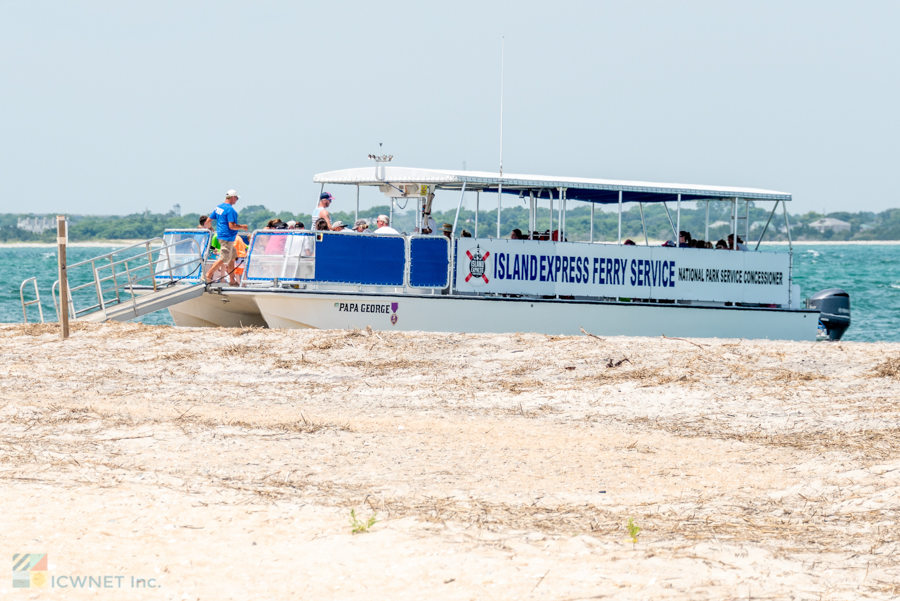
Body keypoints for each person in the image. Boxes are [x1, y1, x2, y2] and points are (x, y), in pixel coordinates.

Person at [205, 190, 248, 285]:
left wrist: (211, 229)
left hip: (221, 236)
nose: (236, 200)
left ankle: (232, 280)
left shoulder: (219, 207)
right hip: (227, 237)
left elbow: (208, 221)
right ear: (233, 197)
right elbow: (232, 226)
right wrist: (242, 226)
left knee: (232, 258)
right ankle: (208, 275)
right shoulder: (230, 210)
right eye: (236, 198)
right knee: (224, 258)